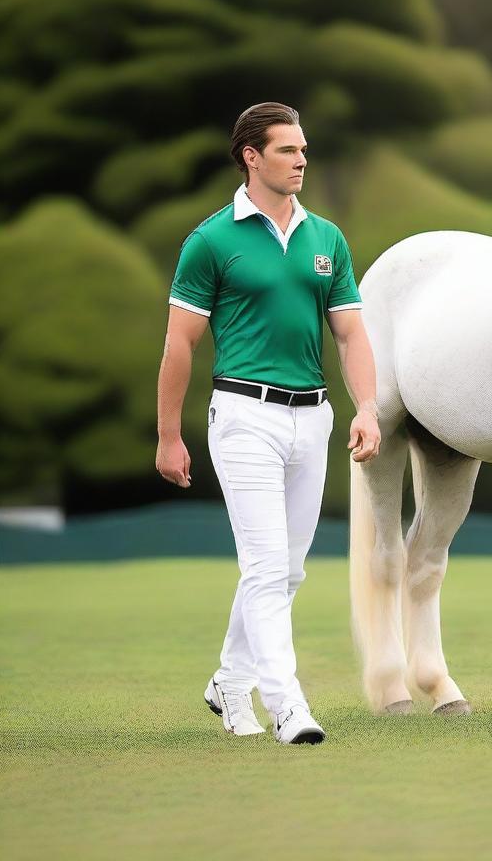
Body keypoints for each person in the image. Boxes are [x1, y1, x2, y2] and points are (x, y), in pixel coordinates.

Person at [155, 102, 382, 745]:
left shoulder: (327, 238)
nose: (302, 159)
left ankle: (229, 683)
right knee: (263, 567)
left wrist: (367, 406)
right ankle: (288, 704)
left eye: (304, 149)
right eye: (287, 150)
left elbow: (351, 333)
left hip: (312, 419)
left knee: (288, 570)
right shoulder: (211, 240)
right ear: (252, 158)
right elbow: (179, 345)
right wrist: (169, 435)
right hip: (243, 416)